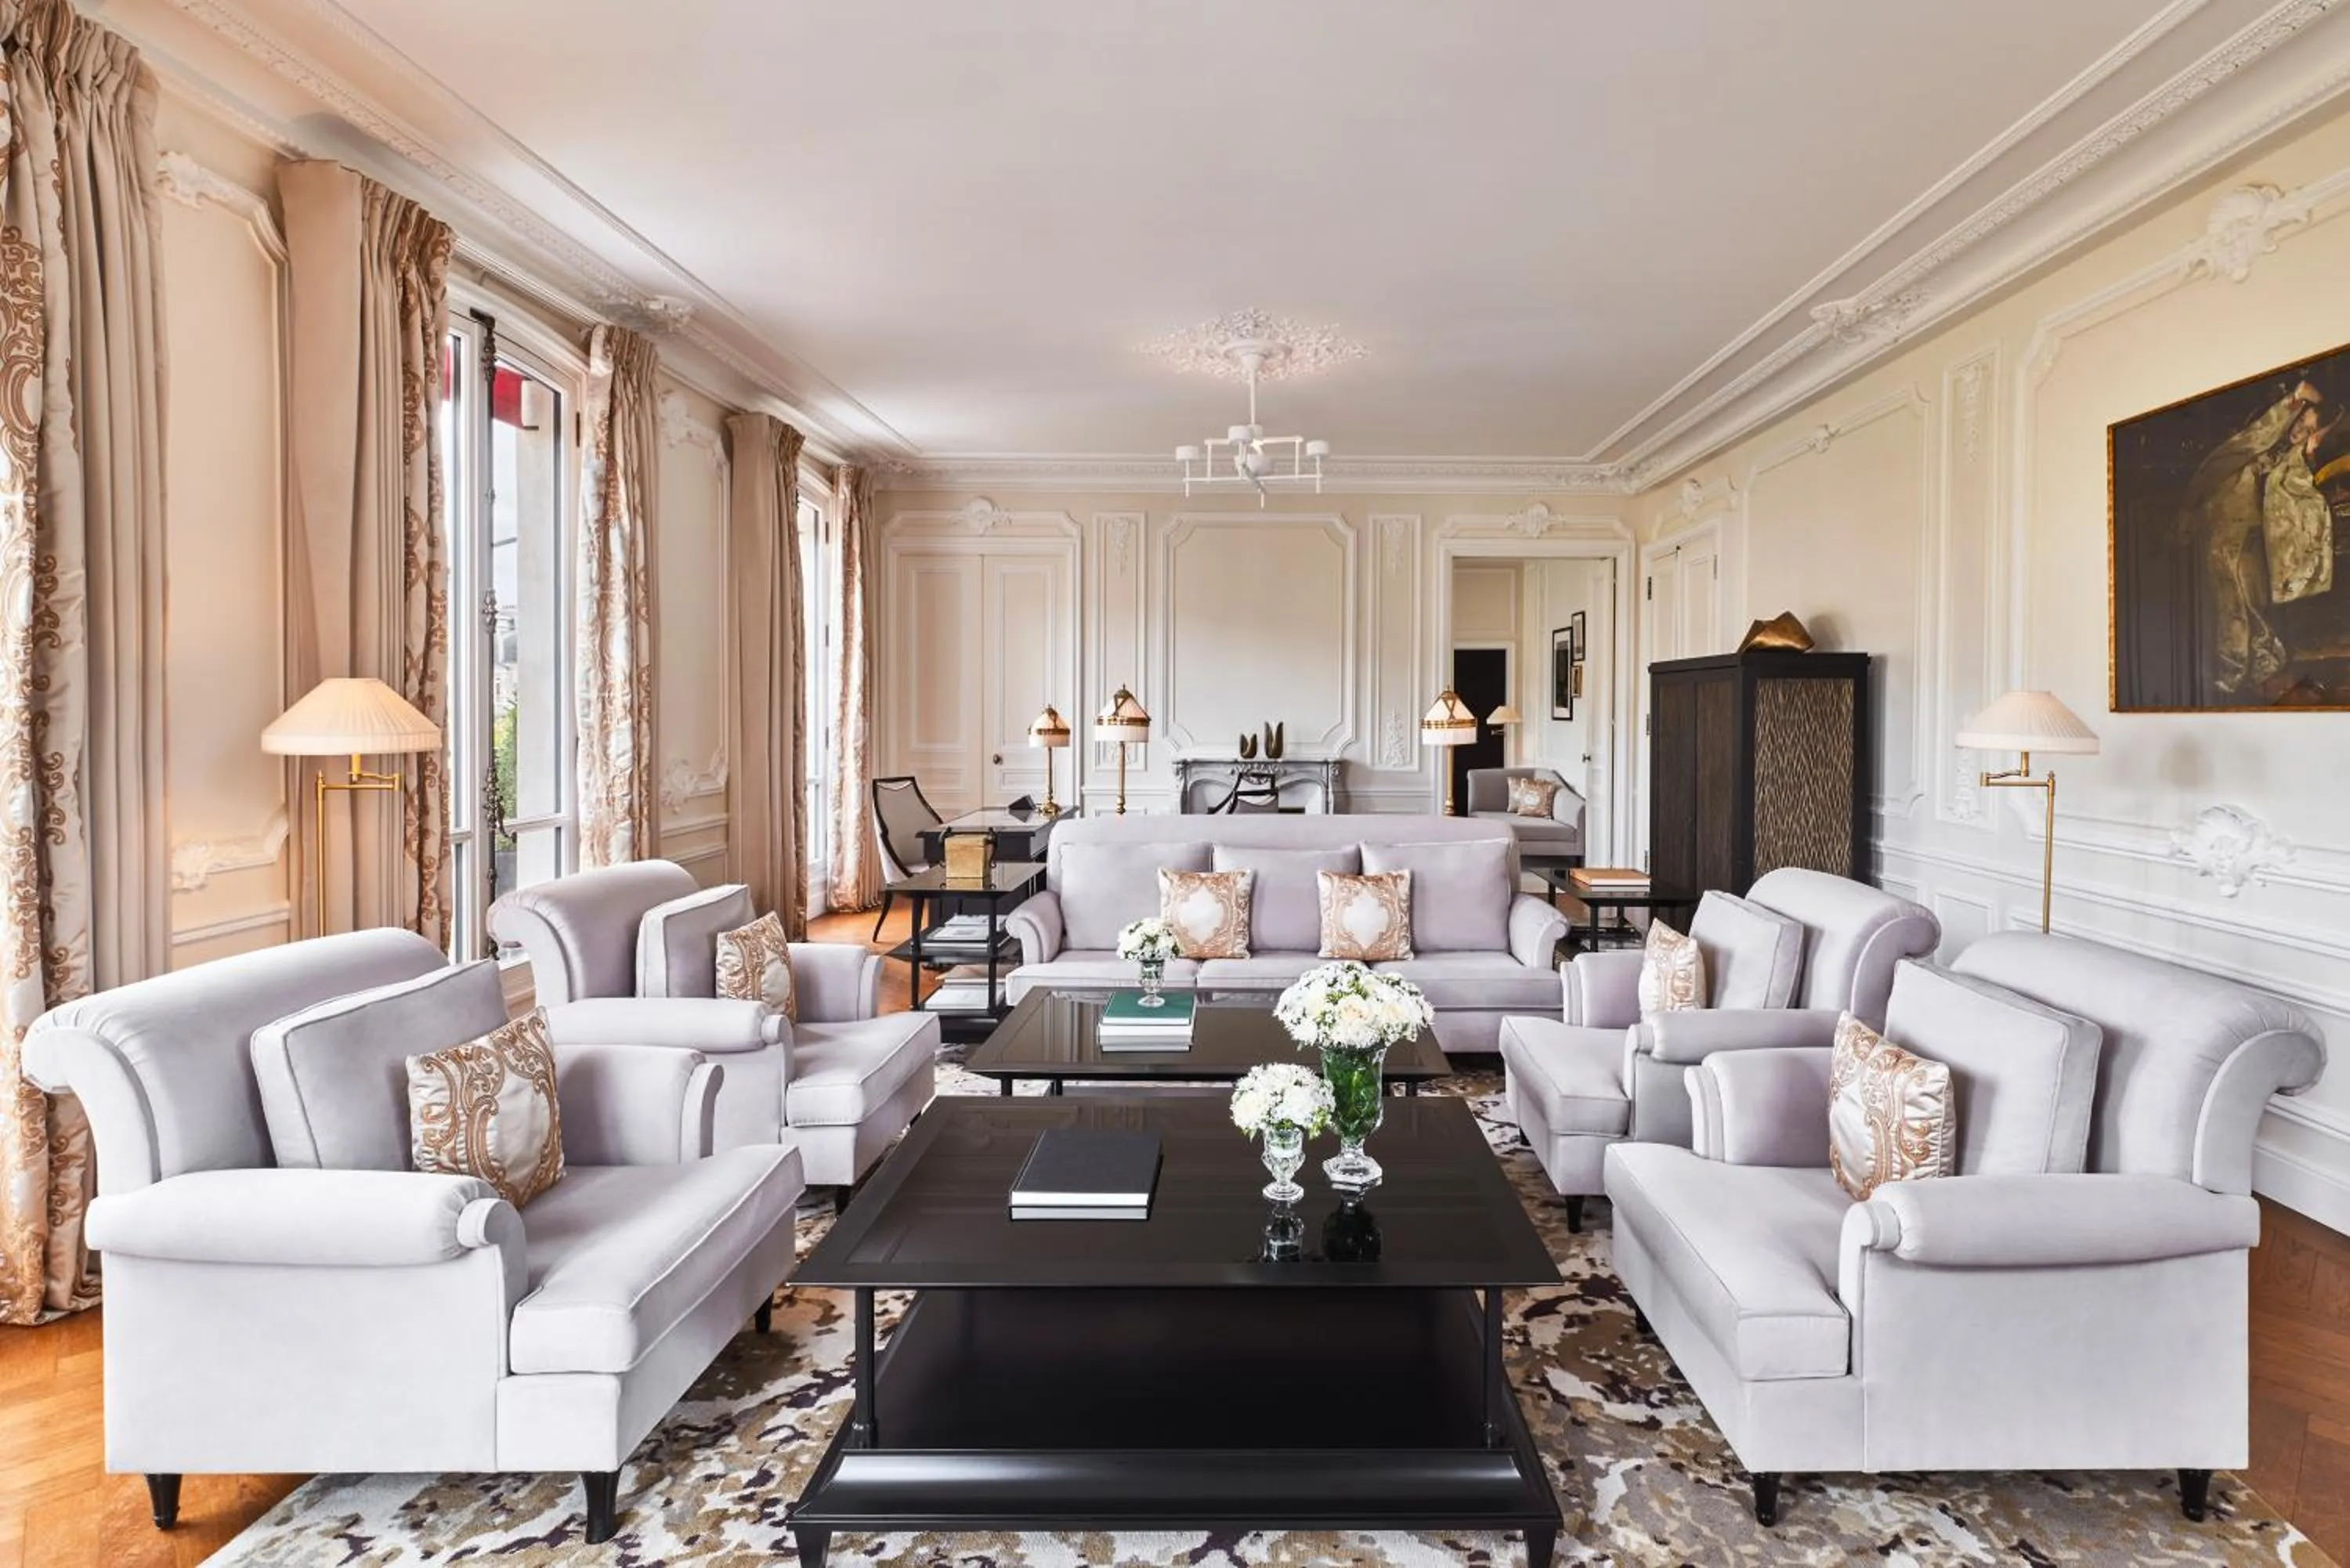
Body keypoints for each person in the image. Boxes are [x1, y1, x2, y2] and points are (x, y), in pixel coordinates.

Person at [2181, 379, 2334, 695]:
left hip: (2253, 528)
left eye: (2308, 430)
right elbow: (2254, 440)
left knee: (2247, 591)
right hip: (2225, 519)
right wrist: (2296, 399)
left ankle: (2251, 662)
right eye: (2300, 424)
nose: (2300, 432)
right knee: (2229, 590)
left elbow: (2295, 487)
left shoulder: (2295, 458)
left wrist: (2309, 449)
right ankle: (2239, 664)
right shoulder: (2263, 436)